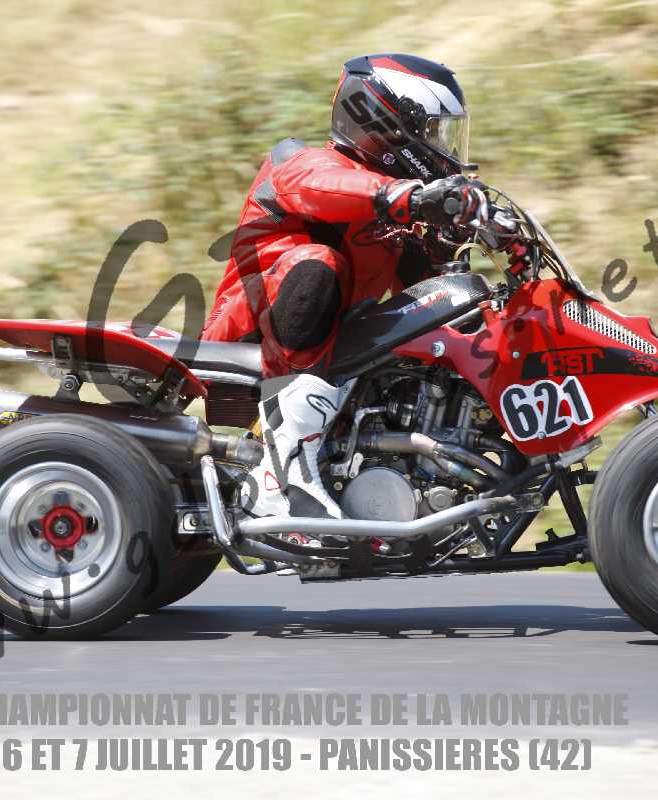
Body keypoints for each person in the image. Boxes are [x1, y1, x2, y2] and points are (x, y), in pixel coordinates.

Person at [201, 53, 489, 520]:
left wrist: (455, 240)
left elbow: (435, 295)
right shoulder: (301, 163)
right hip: (247, 336)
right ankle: (280, 474)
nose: (441, 146)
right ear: (387, 124)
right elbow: (325, 186)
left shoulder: (395, 217)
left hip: (334, 355)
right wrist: (409, 197)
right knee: (318, 264)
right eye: (433, 131)